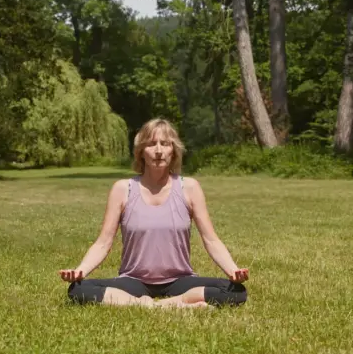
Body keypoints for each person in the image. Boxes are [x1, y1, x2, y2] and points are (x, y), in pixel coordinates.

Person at [58, 118, 249, 308]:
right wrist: (80, 271)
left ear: (173, 150)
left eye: (165, 144)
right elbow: (103, 243)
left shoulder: (189, 188)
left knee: (236, 291)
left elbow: (211, 240)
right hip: (133, 281)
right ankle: (158, 304)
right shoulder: (123, 189)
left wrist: (233, 270)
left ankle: (167, 304)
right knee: (77, 290)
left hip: (179, 280)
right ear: (141, 151)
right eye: (151, 144)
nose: (158, 150)